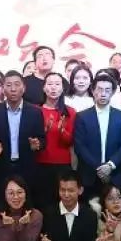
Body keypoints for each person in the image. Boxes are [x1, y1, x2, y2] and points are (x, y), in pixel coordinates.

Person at [0, 70, 46, 207]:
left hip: (26, 167)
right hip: (1, 166)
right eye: (8, 85)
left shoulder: (35, 112)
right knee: (0, 205)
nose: (13, 89)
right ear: (3, 88)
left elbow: (42, 139)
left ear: (23, 88)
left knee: (26, 205)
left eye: (17, 84)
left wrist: (37, 144)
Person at [74, 73, 121, 197]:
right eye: (99, 89)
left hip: (114, 174)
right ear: (93, 91)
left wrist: (110, 165)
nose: (103, 94)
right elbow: (79, 146)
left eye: (107, 90)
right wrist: (99, 168)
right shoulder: (82, 116)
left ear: (113, 92)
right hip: (89, 175)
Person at [37, 72, 77, 206]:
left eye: (57, 84)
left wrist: (61, 130)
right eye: (50, 84)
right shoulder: (36, 110)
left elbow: (71, 141)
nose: (53, 87)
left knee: (62, 201)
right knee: (42, 201)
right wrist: (44, 131)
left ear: (62, 88)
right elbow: (32, 139)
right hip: (40, 163)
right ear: (44, 88)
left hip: (62, 164)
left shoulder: (70, 112)